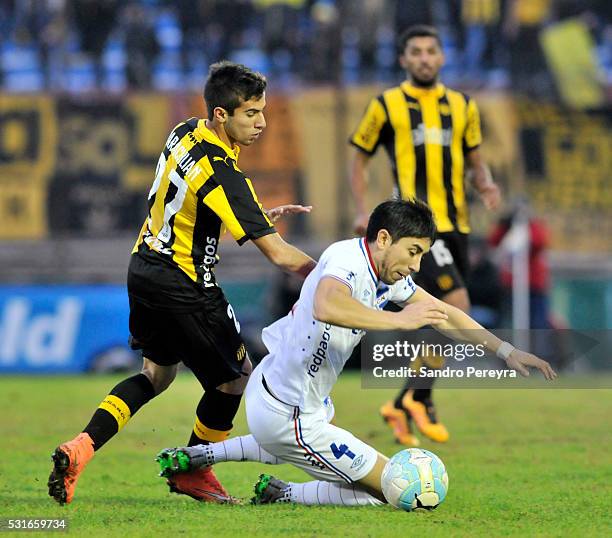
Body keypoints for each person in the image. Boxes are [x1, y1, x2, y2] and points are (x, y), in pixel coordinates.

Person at [156, 199, 556, 507]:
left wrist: (505, 350)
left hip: (279, 395)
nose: (416, 265)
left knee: (299, 442)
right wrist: (401, 321)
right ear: (384, 238)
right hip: (289, 416)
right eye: (413, 251)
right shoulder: (347, 262)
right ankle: (286, 494)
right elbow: (327, 305)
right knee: (399, 487)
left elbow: (444, 314)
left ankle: (200, 454)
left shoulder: (381, 271)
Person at [47, 61, 317, 506]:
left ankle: (82, 446)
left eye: (262, 111)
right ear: (220, 115)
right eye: (251, 113)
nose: (262, 123)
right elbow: (280, 255)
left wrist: (254, 218)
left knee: (156, 374)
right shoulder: (226, 174)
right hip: (186, 283)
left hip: (144, 269)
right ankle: (193, 470)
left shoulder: (184, 131)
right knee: (235, 379)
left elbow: (191, 203)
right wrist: (334, 278)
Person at [348, 24, 502, 445]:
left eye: (431, 51)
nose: (424, 58)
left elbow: (474, 157)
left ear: (442, 57)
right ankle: (420, 400)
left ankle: (405, 402)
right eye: (415, 52)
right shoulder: (387, 105)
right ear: (403, 59)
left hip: (458, 228)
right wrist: (362, 210)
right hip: (416, 228)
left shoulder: (462, 105)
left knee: (443, 315)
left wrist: (484, 182)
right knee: (457, 305)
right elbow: (358, 158)